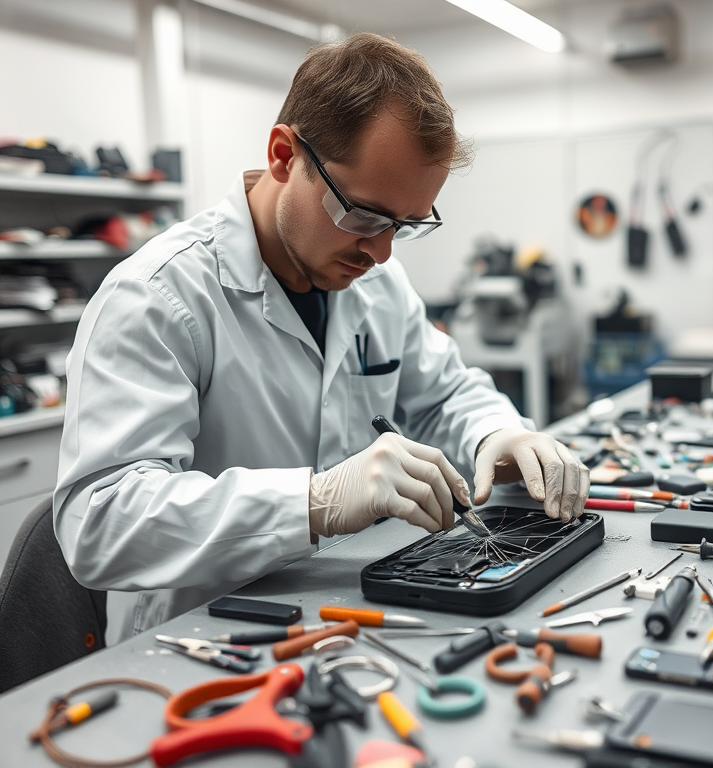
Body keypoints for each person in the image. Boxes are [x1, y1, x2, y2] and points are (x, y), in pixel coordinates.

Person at [53, 33, 589, 645]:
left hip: (348, 615)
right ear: (284, 155)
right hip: (198, 641)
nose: (382, 252)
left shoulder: (374, 282)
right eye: (363, 215)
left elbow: (444, 394)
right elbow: (98, 524)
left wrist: (501, 433)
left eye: (405, 226)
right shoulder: (158, 296)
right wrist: (314, 502)